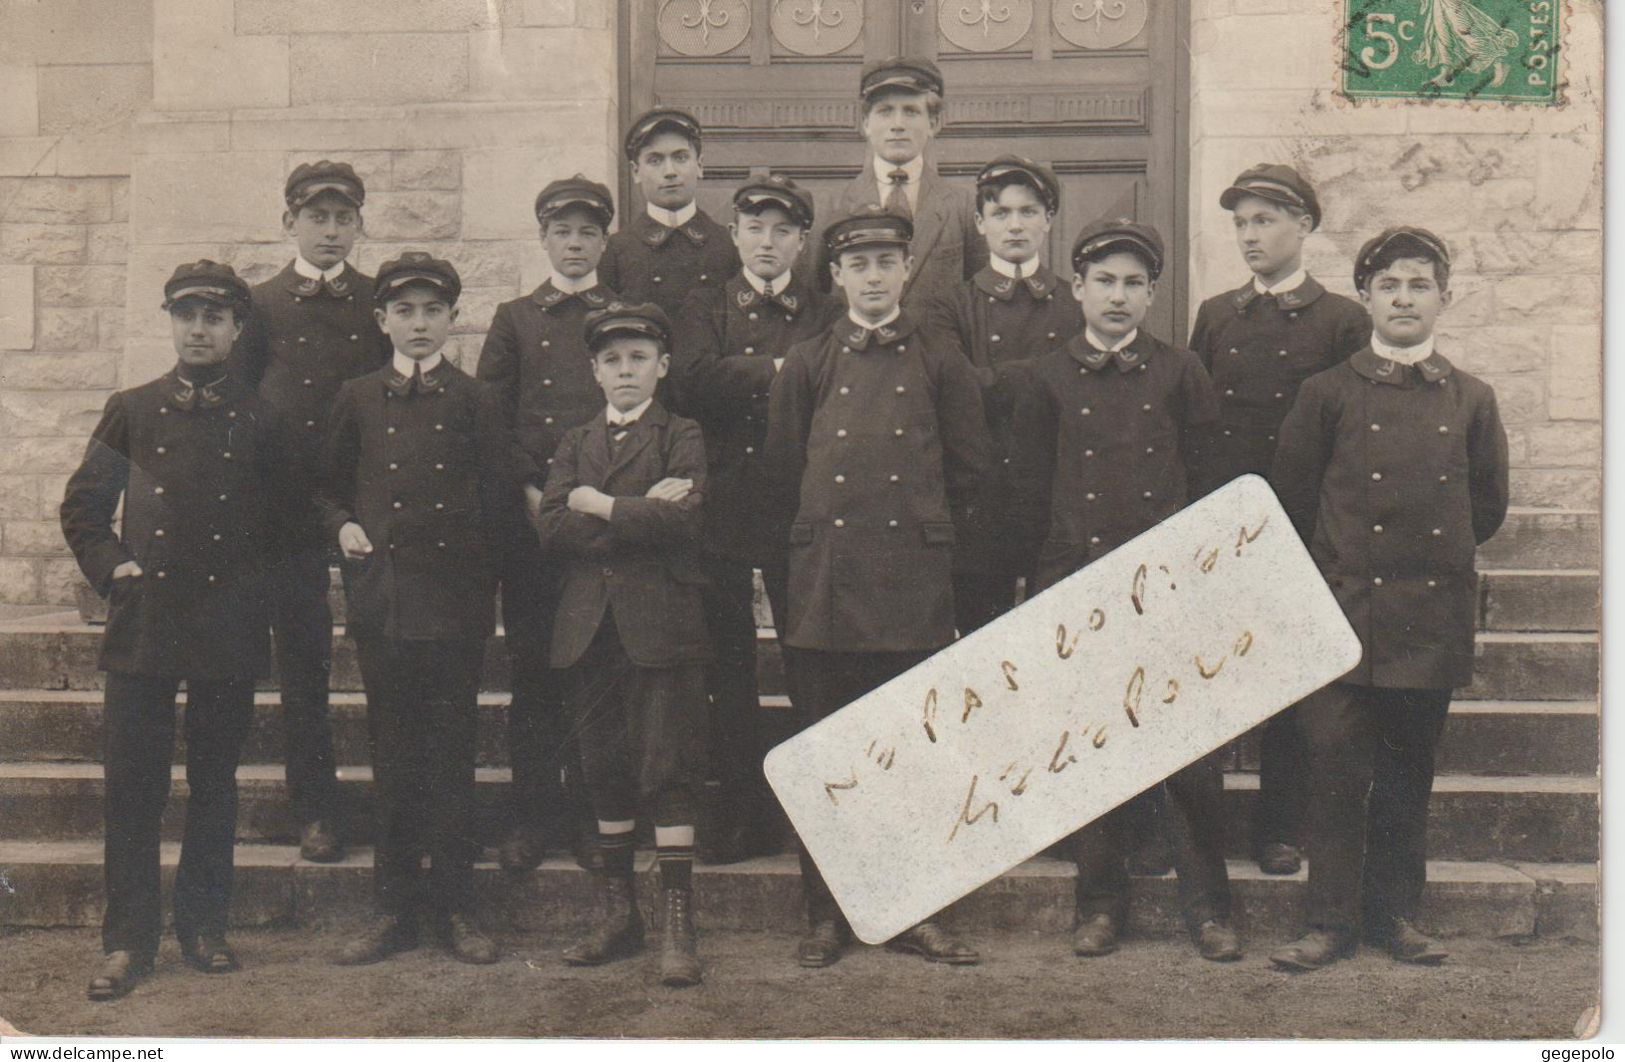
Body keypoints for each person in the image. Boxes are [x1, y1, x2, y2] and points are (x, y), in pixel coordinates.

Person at [1269, 227, 1509, 972]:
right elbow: (1293, 496)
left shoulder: (1470, 397)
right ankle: (1328, 922)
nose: (1403, 298)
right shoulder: (1327, 393)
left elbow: (1487, 504)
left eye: (1418, 285)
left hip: (1427, 617)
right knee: (1336, 773)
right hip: (1343, 611)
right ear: (1365, 297)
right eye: (1388, 285)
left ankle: (1395, 915)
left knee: (1408, 776)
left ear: (1443, 298)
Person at [765, 207, 992, 969]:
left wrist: (934, 557)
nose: (870, 278)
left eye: (884, 264)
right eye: (856, 265)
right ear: (835, 276)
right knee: (825, 757)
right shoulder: (806, 362)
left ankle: (915, 911)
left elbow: (969, 471)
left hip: (910, 586)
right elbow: (784, 469)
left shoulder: (939, 359)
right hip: (826, 584)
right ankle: (823, 915)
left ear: (904, 272)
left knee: (912, 760)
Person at [1008, 219, 1239, 963]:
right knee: (1093, 752)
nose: (1117, 295)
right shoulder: (1044, 377)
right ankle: (1099, 904)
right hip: (1079, 585)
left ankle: (1209, 907)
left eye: (1133, 283)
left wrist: (1198, 580)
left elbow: (1209, 484)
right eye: (1103, 281)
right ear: (1075, 289)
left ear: (1151, 295)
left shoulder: (1181, 373)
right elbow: (1028, 491)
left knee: (1191, 757)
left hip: (1168, 588)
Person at [62, 261, 287, 1000]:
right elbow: (84, 508)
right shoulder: (132, 408)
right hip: (147, 624)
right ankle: (127, 941)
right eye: (186, 314)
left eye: (214, 317)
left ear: (236, 329)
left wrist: (258, 593)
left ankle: (202, 926)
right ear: (170, 321)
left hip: (226, 624)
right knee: (134, 787)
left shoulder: (262, 419)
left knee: (215, 783)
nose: (199, 329)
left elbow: (286, 529)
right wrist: (115, 570)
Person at [320, 252, 514, 967]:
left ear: (452, 318)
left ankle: (457, 906)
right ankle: (393, 906)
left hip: (455, 605)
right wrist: (341, 525)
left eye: (432, 311)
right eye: (404, 312)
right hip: (386, 602)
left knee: (452, 754)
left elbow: (499, 502)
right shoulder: (357, 397)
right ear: (382, 321)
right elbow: (325, 487)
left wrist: (481, 580)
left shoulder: (475, 400)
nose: (419, 324)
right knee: (393, 756)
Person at [1187, 163, 1370, 877]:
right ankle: (1197, 831)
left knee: (1291, 686)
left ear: (1303, 227)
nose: (1249, 235)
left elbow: (1350, 435)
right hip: (1222, 532)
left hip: (1299, 530)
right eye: (1240, 222)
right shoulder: (1215, 315)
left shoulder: (1340, 321)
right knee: (1210, 681)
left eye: (1264, 220)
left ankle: (1278, 828)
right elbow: (1197, 424)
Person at [539, 302, 712, 988]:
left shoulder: (683, 433)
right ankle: (618, 915)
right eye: (611, 360)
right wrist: (639, 513)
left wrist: (600, 504)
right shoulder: (575, 440)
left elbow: (686, 520)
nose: (625, 371)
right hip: (589, 627)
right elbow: (551, 527)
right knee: (603, 765)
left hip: (661, 624)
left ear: (662, 366)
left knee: (667, 767)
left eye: (638, 357)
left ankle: (678, 924)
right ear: (593, 370)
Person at [232, 160, 393, 863]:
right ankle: (316, 810)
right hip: (286, 507)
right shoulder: (259, 305)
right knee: (303, 663)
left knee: (387, 652)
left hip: (367, 500)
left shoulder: (380, 302)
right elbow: (239, 407)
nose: (331, 231)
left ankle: (400, 807)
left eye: (344, 218)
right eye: (317, 217)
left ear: (360, 224)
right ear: (288, 222)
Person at [671, 174, 834, 864]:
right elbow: (690, 380)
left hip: (802, 500)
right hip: (723, 506)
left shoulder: (824, 309)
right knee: (726, 666)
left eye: (782, 231)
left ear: (802, 242)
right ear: (734, 235)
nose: (767, 244)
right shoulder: (704, 303)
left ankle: (816, 817)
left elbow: (836, 381)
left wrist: (749, 371)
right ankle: (738, 810)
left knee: (811, 659)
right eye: (754, 229)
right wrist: (780, 367)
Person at [477, 174, 620, 872]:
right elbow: (489, 420)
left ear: (603, 240)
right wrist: (532, 493)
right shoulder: (515, 318)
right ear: (542, 239)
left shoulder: (624, 315)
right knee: (534, 670)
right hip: (534, 525)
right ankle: (533, 816)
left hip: (600, 527)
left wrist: (601, 502)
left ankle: (596, 819)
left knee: (594, 670)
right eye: (561, 231)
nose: (573, 243)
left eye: (587, 232)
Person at [925, 154, 1082, 635]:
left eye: (1028, 212)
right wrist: (1046, 374)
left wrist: (990, 379)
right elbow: (956, 394)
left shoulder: (1075, 304)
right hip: (978, 507)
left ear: (1048, 220)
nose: (1014, 225)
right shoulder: (949, 305)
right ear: (979, 222)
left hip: (1056, 505)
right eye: (1000, 213)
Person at [822, 57, 984, 310]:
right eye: (885, 111)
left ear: (932, 123)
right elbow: (817, 303)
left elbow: (978, 299)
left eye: (911, 111)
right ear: (866, 123)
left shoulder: (963, 206)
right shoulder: (834, 205)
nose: (897, 125)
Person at [599, 107, 737, 320]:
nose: (670, 171)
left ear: (700, 165)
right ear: (636, 172)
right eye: (655, 160)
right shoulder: (615, 251)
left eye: (680, 158)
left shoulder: (728, 245)